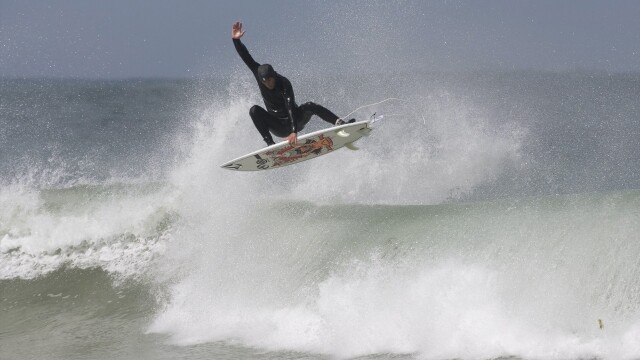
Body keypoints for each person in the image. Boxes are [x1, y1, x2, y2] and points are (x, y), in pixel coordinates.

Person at [231, 21, 354, 146]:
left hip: (295, 121)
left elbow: (290, 106)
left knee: (310, 105)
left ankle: (340, 123)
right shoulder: (259, 74)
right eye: (264, 81)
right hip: (277, 126)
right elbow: (246, 57)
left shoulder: (284, 83)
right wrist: (236, 40)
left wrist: (294, 131)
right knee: (254, 111)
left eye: (269, 80)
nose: (267, 83)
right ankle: (269, 144)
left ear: (274, 76)